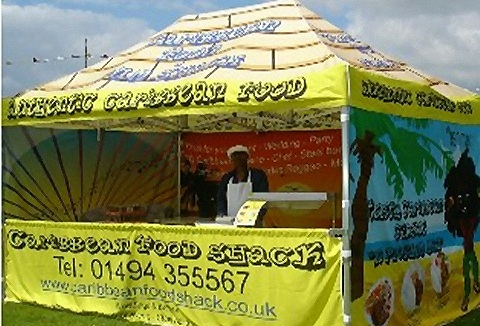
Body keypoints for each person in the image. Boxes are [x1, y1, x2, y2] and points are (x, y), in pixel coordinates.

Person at [216, 145, 269, 227]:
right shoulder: (227, 178)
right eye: (235, 155)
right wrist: (222, 215)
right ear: (231, 159)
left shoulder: (257, 175)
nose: (238, 158)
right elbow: (221, 198)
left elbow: (263, 197)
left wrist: (257, 216)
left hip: (252, 222)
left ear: (247, 157)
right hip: (229, 222)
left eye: (241, 155)